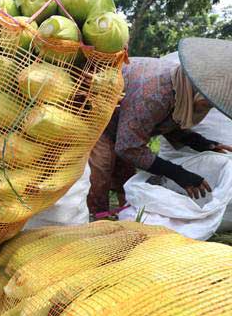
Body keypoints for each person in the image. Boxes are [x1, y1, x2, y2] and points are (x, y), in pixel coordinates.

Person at [87, 37, 232, 215]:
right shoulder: (156, 95)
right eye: (206, 104)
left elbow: (165, 124)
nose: (206, 109)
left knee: (126, 178)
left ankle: (124, 216)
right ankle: (94, 221)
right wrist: (178, 174)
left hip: (123, 125)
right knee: (100, 171)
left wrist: (202, 143)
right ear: (195, 93)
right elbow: (128, 147)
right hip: (95, 116)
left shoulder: (179, 90)